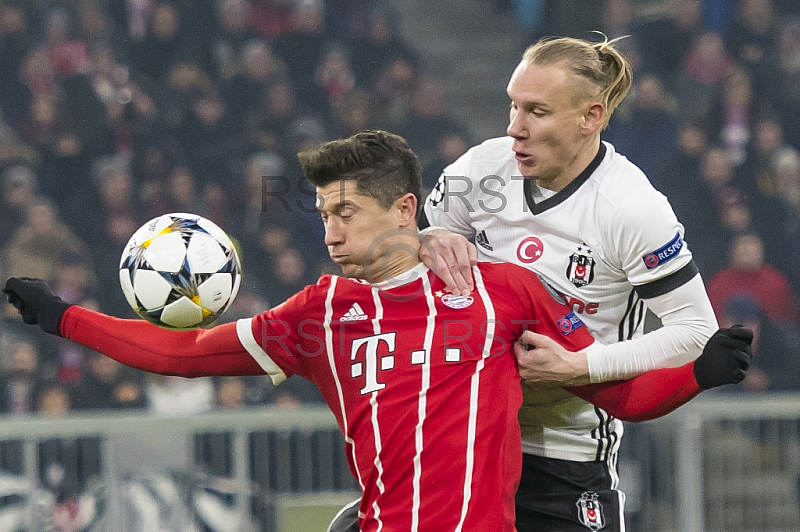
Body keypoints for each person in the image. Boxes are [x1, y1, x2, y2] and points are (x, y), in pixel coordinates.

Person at [4, 131, 751, 532]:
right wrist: (63, 316)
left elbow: (614, 395)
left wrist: (697, 374)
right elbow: (180, 351)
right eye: (323, 214)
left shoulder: (500, 291)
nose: (328, 231)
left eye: (344, 213)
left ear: (403, 209)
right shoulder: (320, 313)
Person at [416, 36, 722, 531]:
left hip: (564, 458)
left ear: (591, 116)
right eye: (513, 106)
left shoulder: (630, 207)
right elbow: (417, 251)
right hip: (463, 439)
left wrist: (579, 365)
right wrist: (426, 239)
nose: (515, 129)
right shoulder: (482, 168)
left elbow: (696, 331)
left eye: (536, 111)